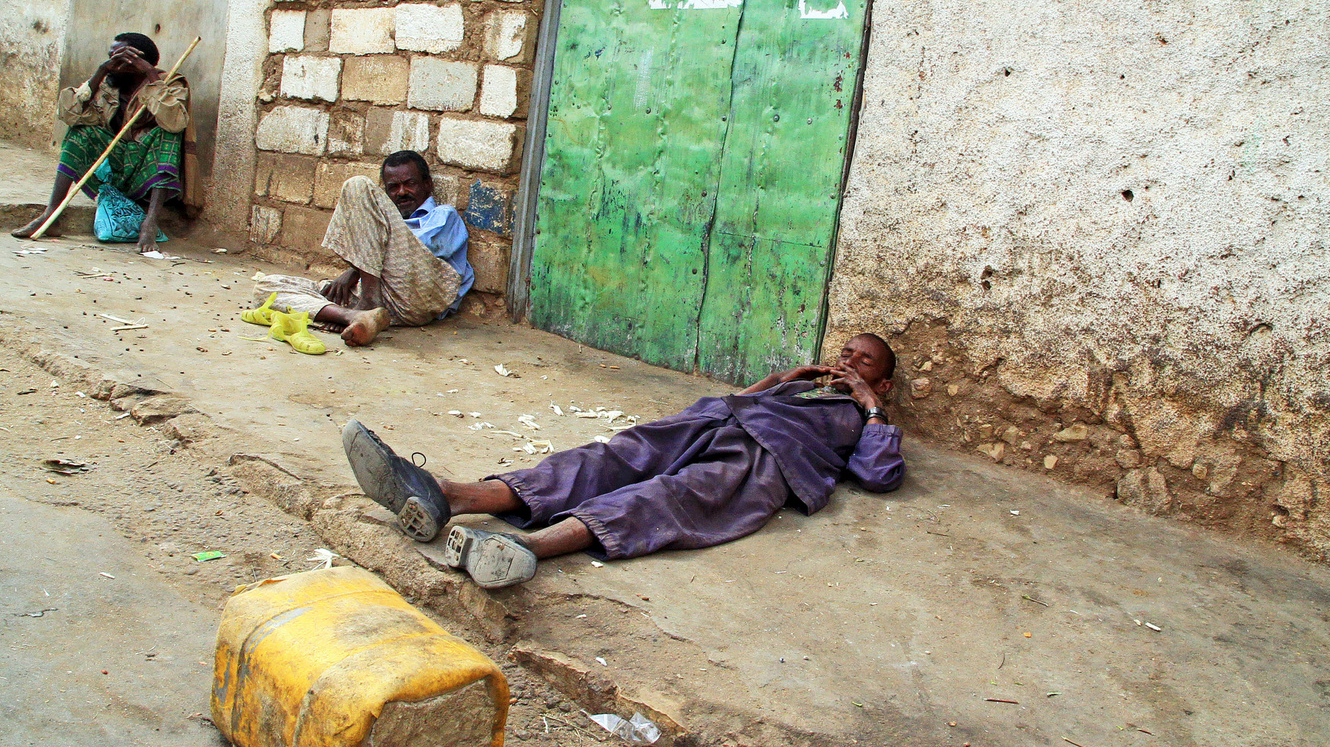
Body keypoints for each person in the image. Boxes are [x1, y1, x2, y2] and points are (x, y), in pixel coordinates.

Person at [342, 333, 905, 587]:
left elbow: (879, 476)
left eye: (864, 361)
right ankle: (451, 495)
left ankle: (524, 547)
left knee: (665, 497)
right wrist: (779, 380)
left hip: (764, 462)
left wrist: (868, 402)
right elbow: (726, 403)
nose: (847, 362)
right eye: (845, 353)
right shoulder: (796, 387)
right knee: (605, 459)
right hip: (713, 423)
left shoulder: (862, 416)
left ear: (883, 377)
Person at [249, 151, 475, 346]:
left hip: (420, 295)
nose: (402, 192)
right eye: (393, 187)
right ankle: (356, 316)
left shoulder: (444, 215)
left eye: (410, 183)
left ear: (428, 184)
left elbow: (420, 252)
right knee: (266, 288)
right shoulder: (383, 220)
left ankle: (367, 302)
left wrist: (355, 270)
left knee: (357, 185)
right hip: (386, 301)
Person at [12, 32, 189, 253]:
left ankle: (150, 224)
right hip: (112, 170)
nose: (112, 62)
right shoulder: (106, 84)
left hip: (144, 171)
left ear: (137, 61)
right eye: (110, 56)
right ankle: (51, 214)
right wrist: (101, 70)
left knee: (168, 135)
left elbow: (175, 122)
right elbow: (69, 115)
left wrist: (151, 74)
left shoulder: (170, 82)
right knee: (80, 131)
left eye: (119, 57)